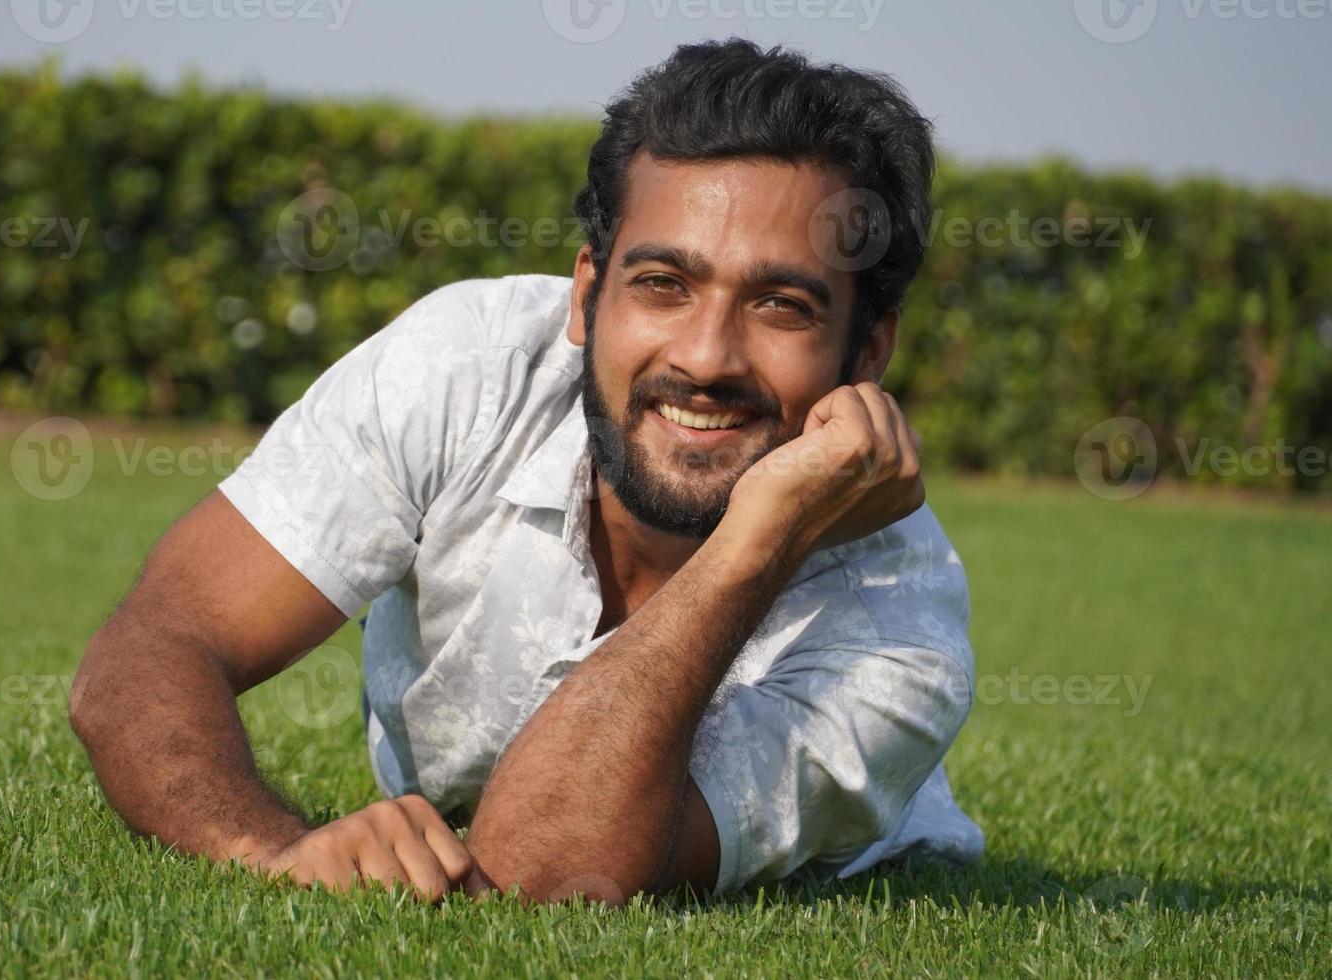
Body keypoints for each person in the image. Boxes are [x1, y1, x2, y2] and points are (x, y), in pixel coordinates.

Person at [69, 37, 983, 903]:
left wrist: (756, 547)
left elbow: (545, 873)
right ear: (588, 294)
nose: (706, 357)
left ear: (867, 354)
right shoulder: (467, 366)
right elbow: (157, 642)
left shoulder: (898, 635)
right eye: (663, 283)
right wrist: (268, 850)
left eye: (781, 305)